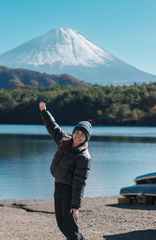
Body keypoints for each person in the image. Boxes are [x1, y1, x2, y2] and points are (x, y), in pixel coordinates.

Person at [39, 101, 91, 240]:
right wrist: (44, 112)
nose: (78, 135)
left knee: (70, 228)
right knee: (61, 224)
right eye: (77, 132)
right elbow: (53, 127)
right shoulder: (65, 141)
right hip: (58, 185)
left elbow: (80, 182)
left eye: (82, 134)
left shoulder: (83, 157)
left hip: (69, 190)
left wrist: (75, 205)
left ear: (86, 138)